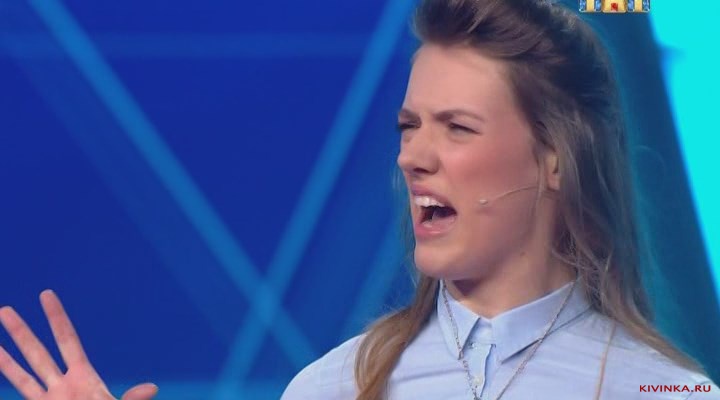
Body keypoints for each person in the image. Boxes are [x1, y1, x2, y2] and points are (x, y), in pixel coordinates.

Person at [0, 0, 717, 399]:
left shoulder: (664, 392)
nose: (413, 156)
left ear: (556, 158)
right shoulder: (332, 387)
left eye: (456, 127)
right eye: (408, 127)